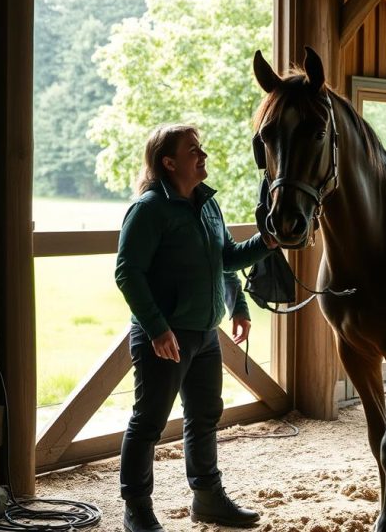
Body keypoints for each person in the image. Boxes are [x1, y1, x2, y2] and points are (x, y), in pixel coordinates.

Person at [115, 124, 275, 532]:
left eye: (200, 148)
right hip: (165, 338)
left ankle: (207, 500)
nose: (202, 155)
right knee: (148, 422)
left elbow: (225, 259)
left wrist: (265, 247)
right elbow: (127, 273)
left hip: (205, 335)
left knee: (204, 416)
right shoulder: (148, 209)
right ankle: (137, 510)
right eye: (192, 150)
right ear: (168, 163)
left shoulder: (207, 204)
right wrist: (156, 328)